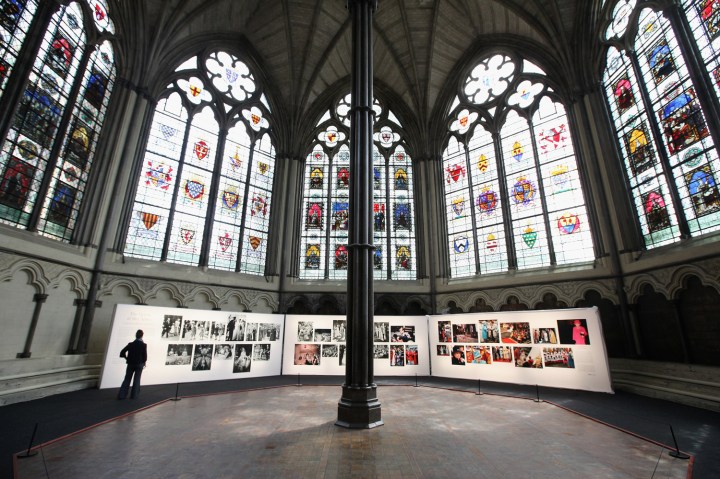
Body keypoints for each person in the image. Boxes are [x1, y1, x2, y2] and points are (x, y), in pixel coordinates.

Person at [117, 329, 147, 399]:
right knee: (137, 379)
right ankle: (134, 395)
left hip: (130, 364)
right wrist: (144, 362)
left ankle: (122, 395)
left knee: (127, 379)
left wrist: (126, 358)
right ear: (142, 336)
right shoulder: (143, 345)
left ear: (136, 335)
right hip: (139, 364)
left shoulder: (131, 344)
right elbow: (145, 356)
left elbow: (122, 352)